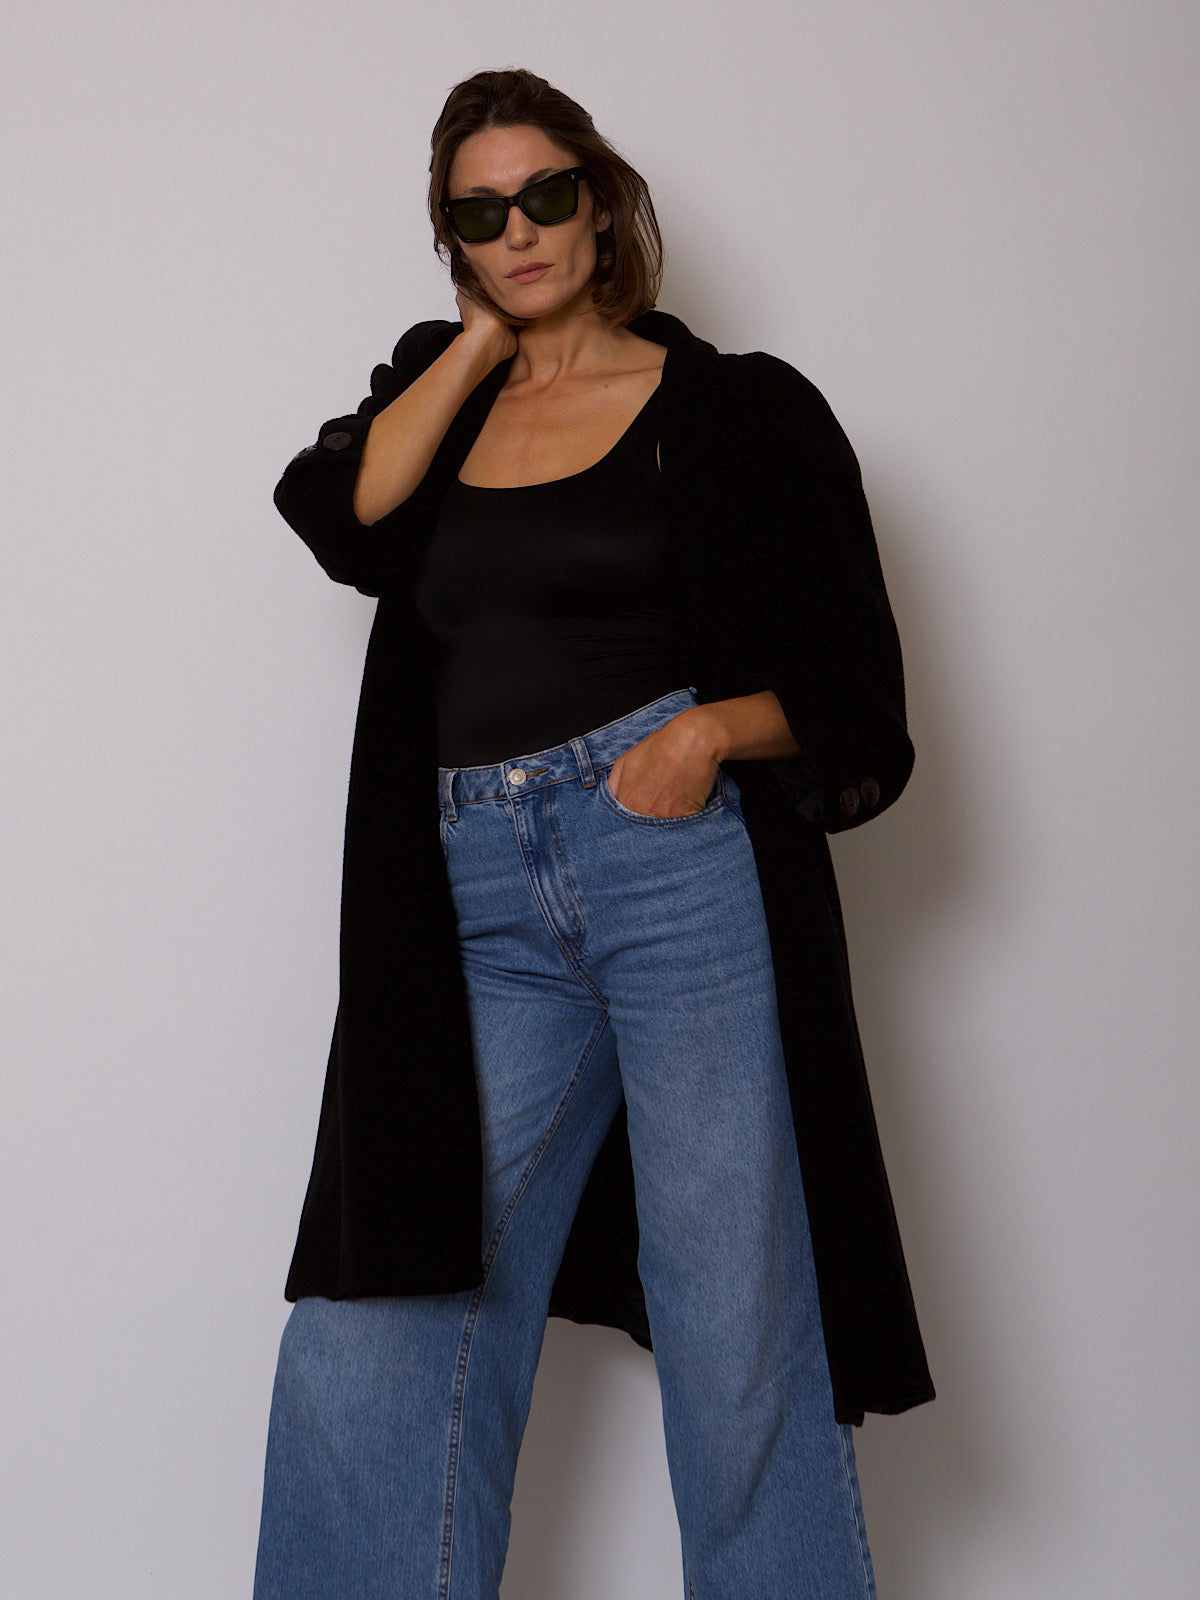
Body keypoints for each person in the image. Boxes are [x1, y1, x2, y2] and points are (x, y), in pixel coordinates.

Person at [254, 66, 934, 1600]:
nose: (519, 231)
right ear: (451, 240)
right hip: (470, 890)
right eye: (478, 214)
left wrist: (703, 736)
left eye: (545, 196)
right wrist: (477, 342)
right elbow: (342, 520)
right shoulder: (437, 400)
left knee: (735, 1313)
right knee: (383, 1309)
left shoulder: (741, 411)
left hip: (674, 870)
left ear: (602, 202)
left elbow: (858, 692)